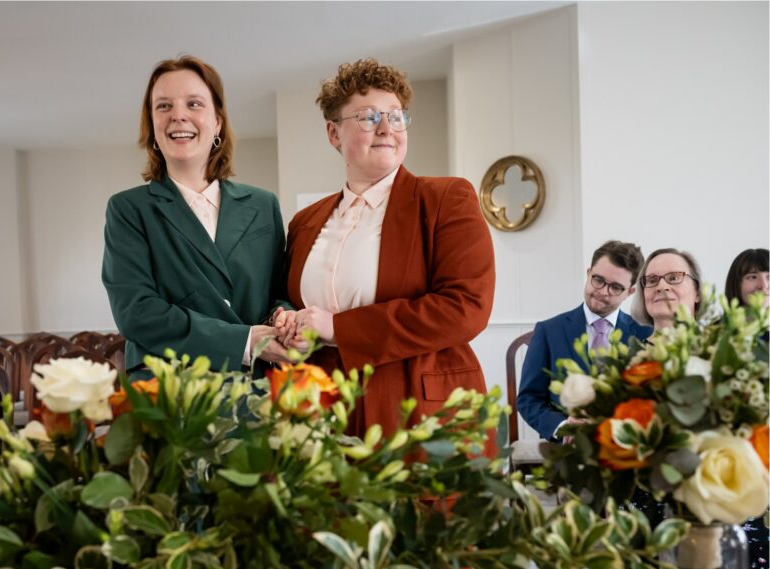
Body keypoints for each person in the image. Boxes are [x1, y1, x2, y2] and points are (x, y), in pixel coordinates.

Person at [277, 59, 494, 436]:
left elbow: (466, 308)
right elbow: (285, 298)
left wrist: (338, 328)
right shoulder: (305, 221)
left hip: (416, 407)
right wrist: (285, 323)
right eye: (368, 117)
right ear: (333, 133)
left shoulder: (446, 198)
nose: (386, 128)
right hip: (322, 408)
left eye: (396, 116)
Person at [102, 56, 290, 378]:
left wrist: (283, 317)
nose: (178, 115)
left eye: (193, 103)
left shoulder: (263, 204)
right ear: (152, 125)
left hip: (256, 387)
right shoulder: (129, 209)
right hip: (170, 392)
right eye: (163, 106)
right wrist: (242, 340)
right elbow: (137, 312)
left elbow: (281, 291)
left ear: (217, 122)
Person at [517, 241, 651, 441]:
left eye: (615, 287)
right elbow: (529, 399)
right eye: (598, 280)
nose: (603, 292)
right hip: (567, 453)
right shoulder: (548, 331)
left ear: (629, 292)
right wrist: (562, 427)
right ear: (589, 273)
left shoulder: (644, 335)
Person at [724, 247, 769, 569]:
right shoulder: (723, 334)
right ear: (737, 285)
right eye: (752, 276)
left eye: (768, 276)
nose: (762, 284)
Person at [631, 248, 703, 333]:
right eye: (652, 280)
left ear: (697, 293)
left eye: (674, 278)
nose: (661, 287)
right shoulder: (623, 346)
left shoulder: (718, 344)